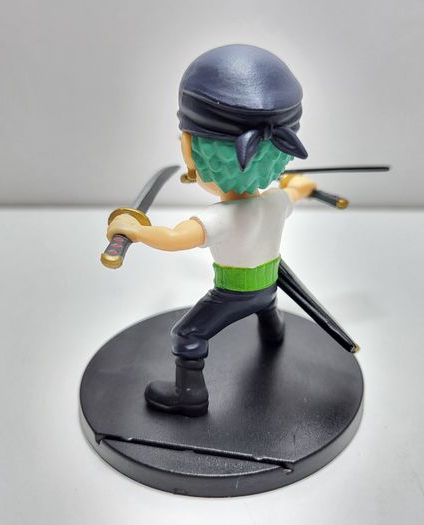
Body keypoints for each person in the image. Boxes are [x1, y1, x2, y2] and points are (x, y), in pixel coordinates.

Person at [107, 44, 316, 416]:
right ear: (279, 157)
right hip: (269, 288)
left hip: (234, 294)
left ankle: (190, 395)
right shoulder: (275, 201)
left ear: (190, 151)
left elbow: (174, 238)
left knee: (187, 334)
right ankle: (273, 329)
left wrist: (135, 230)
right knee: (265, 304)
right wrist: (302, 184)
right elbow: (297, 190)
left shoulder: (221, 218)